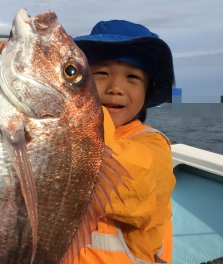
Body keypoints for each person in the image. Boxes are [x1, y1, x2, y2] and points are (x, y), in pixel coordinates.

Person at [72, 20, 176, 263]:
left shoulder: (152, 145)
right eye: (101, 73)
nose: (116, 87)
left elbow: (135, 186)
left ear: (148, 90)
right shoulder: (59, 133)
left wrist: (81, 114)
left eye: (132, 77)